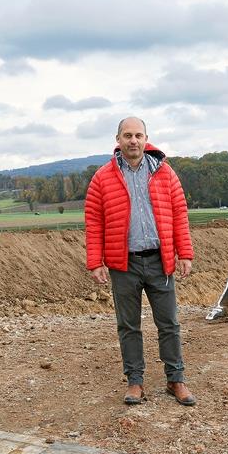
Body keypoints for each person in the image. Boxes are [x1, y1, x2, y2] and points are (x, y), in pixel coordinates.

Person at [85, 117, 197, 406]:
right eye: (127, 135)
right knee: (128, 326)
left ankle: (176, 379)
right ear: (118, 139)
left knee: (169, 323)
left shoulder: (164, 173)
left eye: (138, 135)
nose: (133, 141)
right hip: (124, 264)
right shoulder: (102, 177)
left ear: (146, 138)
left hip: (160, 261)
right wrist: (95, 261)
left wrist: (184, 253)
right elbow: (94, 222)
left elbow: (179, 214)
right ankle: (135, 382)